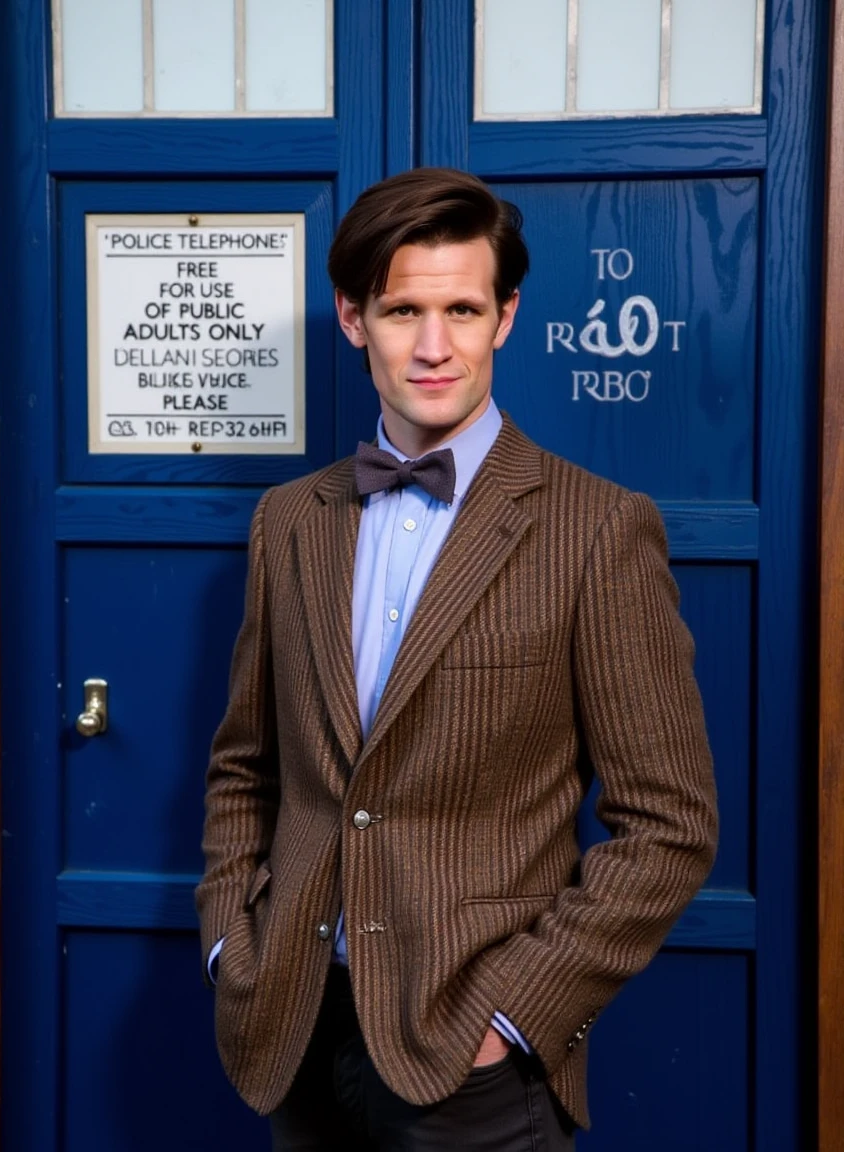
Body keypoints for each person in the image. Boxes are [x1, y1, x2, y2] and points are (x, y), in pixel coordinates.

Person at [196, 167, 718, 1151]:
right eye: (401, 310)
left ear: (504, 317)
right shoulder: (287, 523)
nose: (432, 346)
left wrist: (512, 1014)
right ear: (352, 318)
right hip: (296, 1030)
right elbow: (244, 763)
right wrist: (235, 942)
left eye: (461, 309)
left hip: (471, 1067)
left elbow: (671, 825)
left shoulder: (598, 530)